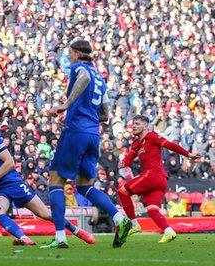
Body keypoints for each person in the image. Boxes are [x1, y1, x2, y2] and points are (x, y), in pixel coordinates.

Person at [0, 114, 95, 246]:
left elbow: (9, 163)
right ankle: (23, 237)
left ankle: (77, 231)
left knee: (45, 214)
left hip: (11, 182)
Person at [47, 40, 130, 249]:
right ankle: (119, 218)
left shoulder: (80, 68)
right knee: (84, 185)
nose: (70, 58)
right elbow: (105, 114)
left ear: (75, 53)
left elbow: (82, 77)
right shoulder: (100, 78)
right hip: (93, 134)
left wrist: (67, 106)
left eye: (70, 54)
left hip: (76, 131)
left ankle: (60, 237)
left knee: (56, 181)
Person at [117, 115, 200, 243]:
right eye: (133, 124)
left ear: (145, 126)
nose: (133, 126)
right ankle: (169, 231)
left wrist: (188, 154)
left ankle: (134, 224)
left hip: (153, 174)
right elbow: (129, 158)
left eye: (137, 124)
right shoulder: (136, 143)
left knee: (122, 191)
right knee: (152, 210)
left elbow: (170, 145)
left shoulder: (151, 136)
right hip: (160, 180)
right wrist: (123, 162)